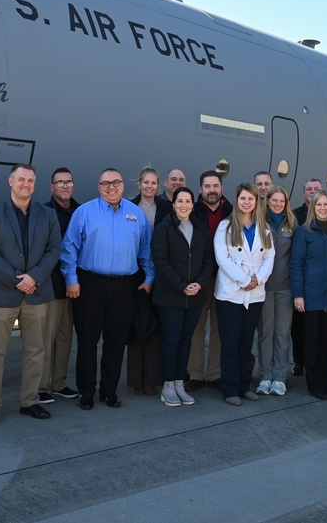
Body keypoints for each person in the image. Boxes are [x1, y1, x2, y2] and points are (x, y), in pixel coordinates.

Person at [62, 168, 155, 411]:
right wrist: (71, 279)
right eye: (106, 183)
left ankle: (109, 391)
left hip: (125, 286)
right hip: (89, 284)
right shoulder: (84, 212)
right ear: (98, 186)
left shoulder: (136, 214)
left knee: (116, 342)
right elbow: (69, 248)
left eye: (116, 182)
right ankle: (86, 392)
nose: (111, 187)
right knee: (87, 341)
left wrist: (150, 276)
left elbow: (146, 250)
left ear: (123, 185)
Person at [0, 164, 61, 426]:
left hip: (37, 292)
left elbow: (54, 249)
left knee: (36, 350)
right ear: (10, 181)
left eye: (31, 180)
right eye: (21, 179)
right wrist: (18, 279)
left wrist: (34, 276)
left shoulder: (47, 214)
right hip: (3, 293)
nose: (26, 184)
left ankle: (30, 401)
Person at [151, 187, 215, 406]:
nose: (184, 205)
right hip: (170, 297)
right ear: (174, 204)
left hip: (195, 296)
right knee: (171, 340)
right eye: (180, 201)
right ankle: (168, 385)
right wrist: (181, 286)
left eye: (188, 201)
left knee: (186, 340)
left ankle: (180, 383)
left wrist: (200, 283)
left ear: (192, 204)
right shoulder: (163, 229)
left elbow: (209, 260)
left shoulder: (200, 229)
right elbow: (160, 262)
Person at [214, 184, 275, 405]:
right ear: (236, 200)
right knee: (230, 343)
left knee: (245, 343)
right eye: (242, 198)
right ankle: (229, 389)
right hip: (231, 294)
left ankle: (243, 385)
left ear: (256, 202)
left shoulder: (264, 228)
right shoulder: (226, 227)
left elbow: (269, 257)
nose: (247, 202)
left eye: (250, 198)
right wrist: (244, 280)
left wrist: (257, 279)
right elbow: (222, 258)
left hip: (255, 294)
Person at [291, 190, 327, 400]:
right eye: (319, 205)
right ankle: (315, 386)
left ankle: (326, 384)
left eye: (326, 205)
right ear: (312, 208)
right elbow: (296, 264)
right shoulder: (304, 232)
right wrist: (298, 294)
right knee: (312, 343)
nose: (323, 208)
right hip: (310, 297)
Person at [185, 171, 232, 392]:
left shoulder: (233, 212)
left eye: (215, 186)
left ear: (221, 188)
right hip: (198, 279)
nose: (211, 190)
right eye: (207, 186)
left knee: (219, 329)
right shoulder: (191, 211)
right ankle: (194, 373)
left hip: (225, 279)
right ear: (201, 189)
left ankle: (215, 374)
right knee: (196, 328)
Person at [126, 167, 171, 396]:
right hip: (135, 273)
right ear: (139, 184)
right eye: (146, 182)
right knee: (136, 324)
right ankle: (136, 380)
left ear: (159, 186)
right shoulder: (128, 207)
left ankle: (152, 379)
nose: (150, 187)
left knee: (156, 326)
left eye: (154, 183)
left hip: (161, 273)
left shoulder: (167, 208)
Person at [41, 167, 81, 403]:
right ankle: (42, 386)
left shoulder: (81, 211)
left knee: (65, 338)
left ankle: (58, 383)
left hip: (75, 287)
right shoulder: (44, 212)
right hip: (52, 285)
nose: (65, 186)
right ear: (52, 187)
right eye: (60, 182)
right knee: (46, 338)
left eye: (68, 182)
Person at [255, 186, 296, 396]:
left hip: (286, 288)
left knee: (282, 333)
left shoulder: (292, 224)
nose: (278, 204)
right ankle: (265, 376)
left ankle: (279, 378)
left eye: (282, 201)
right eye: (274, 200)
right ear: (267, 201)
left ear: (286, 203)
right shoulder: (259, 223)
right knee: (265, 333)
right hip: (264, 288)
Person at [291, 177, 323, 377]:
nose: (312, 191)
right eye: (309, 189)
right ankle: (299, 362)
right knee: (298, 326)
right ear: (303, 193)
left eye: (316, 189)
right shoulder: (294, 216)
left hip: (319, 282)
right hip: (300, 278)